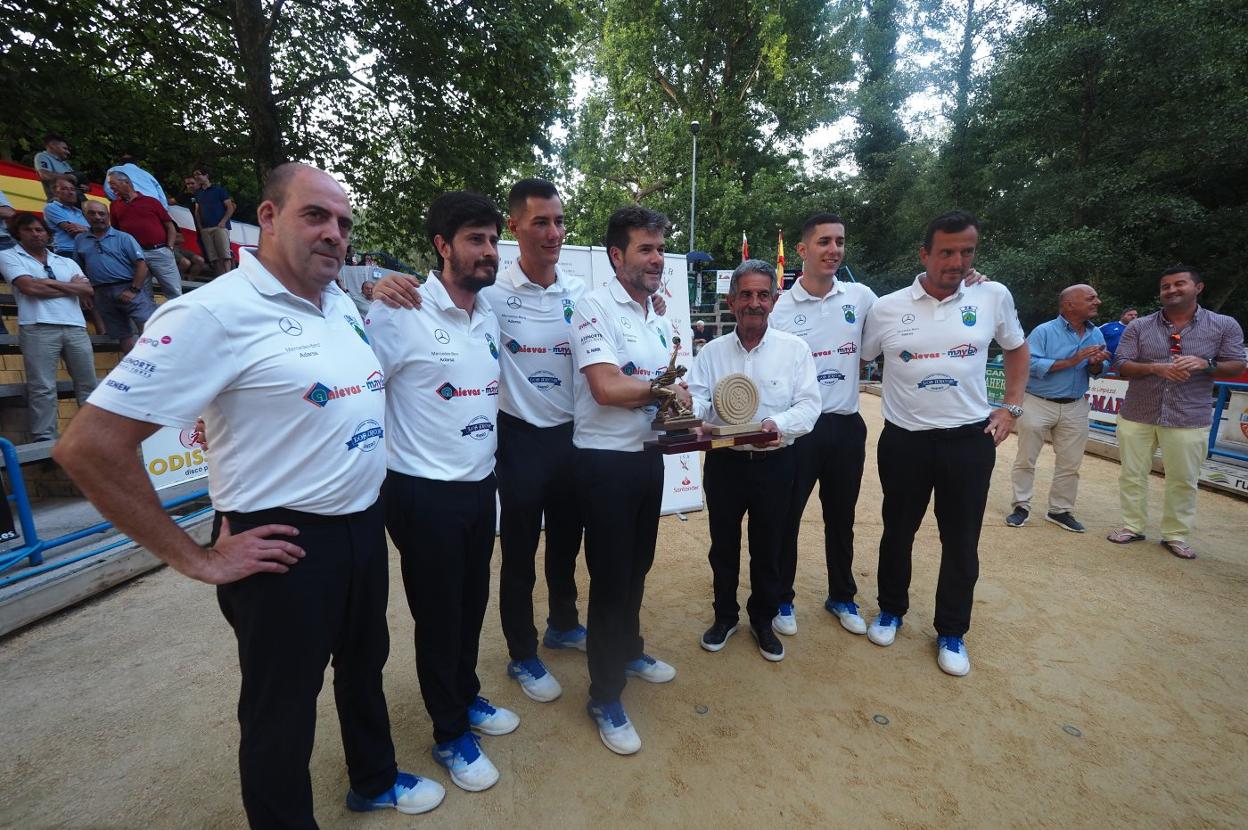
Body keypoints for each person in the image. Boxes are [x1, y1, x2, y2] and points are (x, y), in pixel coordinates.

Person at [53, 163, 445, 826]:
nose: (333, 234)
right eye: (314, 215)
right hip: (281, 543)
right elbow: (87, 448)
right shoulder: (213, 312)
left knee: (363, 667)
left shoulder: (340, 302)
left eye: (344, 224)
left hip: (360, 526)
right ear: (267, 218)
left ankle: (374, 779)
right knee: (280, 712)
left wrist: (376, 281)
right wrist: (196, 558)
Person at [365, 191, 519, 794]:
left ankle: (468, 694)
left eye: (491, 240)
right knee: (438, 615)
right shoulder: (400, 310)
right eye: (475, 239)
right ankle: (450, 733)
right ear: (442, 246)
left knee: (470, 605)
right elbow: (351, 374)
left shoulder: (488, 315)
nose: (487, 252)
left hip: (480, 488)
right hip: (420, 493)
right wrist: (371, 289)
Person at [861, 209, 1029, 677]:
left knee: (961, 541)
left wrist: (1011, 407)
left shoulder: (992, 295)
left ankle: (952, 630)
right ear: (924, 254)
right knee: (897, 532)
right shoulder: (887, 307)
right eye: (947, 252)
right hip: (905, 441)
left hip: (968, 442)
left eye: (967, 251)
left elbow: (1016, 348)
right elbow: (859, 352)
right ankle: (891, 608)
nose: (957, 261)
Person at [570, 205, 686, 755]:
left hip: (646, 458)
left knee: (637, 567)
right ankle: (604, 694)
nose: (657, 259)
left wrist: (680, 403)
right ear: (616, 256)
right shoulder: (593, 306)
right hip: (604, 463)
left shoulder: (656, 315)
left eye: (661, 249)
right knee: (612, 579)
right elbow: (606, 388)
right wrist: (666, 391)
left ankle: (630, 650)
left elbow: (662, 385)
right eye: (646, 248)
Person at [688, 259, 819, 661]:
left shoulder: (794, 351)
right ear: (731, 302)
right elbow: (698, 399)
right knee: (722, 546)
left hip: (776, 465)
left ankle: (763, 619)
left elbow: (810, 406)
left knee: (770, 547)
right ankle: (725, 616)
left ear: (774, 300)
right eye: (745, 294)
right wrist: (688, 412)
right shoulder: (710, 353)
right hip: (725, 464)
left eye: (763, 294)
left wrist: (773, 425)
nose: (754, 302)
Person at [769, 213, 879, 638]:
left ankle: (842, 596)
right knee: (787, 518)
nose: (834, 250)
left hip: (846, 426)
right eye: (824, 242)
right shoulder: (780, 308)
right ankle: (782, 596)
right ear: (802, 250)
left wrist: (968, 282)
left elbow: (914, 301)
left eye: (839, 242)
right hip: (800, 431)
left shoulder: (862, 296)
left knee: (841, 518)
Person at [1107, 267, 1246, 559]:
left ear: (1198, 287)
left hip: (1188, 415)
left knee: (1183, 479)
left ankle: (1175, 535)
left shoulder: (1223, 324)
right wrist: (1156, 368)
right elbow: (1122, 363)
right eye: (1165, 286)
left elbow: (1236, 364)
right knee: (1132, 474)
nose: (1171, 290)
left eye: (1179, 284)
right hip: (1138, 412)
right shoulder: (1140, 326)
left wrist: (1205, 363)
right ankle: (1132, 525)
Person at [1006, 284, 1110, 532]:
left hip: (1075, 405)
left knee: (1070, 463)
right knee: (1026, 459)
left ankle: (1060, 510)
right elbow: (1029, 365)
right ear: (1069, 304)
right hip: (1037, 402)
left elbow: (1099, 371)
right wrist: (1073, 360)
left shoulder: (1096, 334)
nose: (1098, 302)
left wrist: (1096, 364)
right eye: (1091, 298)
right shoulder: (1044, 331)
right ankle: (1021, 506)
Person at [0, 213, 97, 441]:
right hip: (38, 326)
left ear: (47, 233)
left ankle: (94, 433)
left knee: (88, 383)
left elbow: (88, 290)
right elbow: (30, 289)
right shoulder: (7, 256)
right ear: (18, 234)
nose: (36, 234)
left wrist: (48, 282)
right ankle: (45, 436)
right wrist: (68, 287)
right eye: (29, 230)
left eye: (39, 229)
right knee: (42, 386)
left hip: (75, 326)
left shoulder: (66, 261)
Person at [74, 200, 155, 352]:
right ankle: (132, 369)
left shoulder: (124, 237)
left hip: (128, 287)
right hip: (101, 292)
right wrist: (83, 293)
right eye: (92, 213)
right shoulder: (80, 240)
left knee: (148, 327)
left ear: (108, 216)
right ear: (84, 216)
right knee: (122, 335)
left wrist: (133, 289)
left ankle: (152, 364)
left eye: (101, 213)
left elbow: (142, 264)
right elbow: (78, 269)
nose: (98, 217)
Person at [107, 170, 183, 299]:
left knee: (173, 290)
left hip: (159, 251)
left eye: (113, 183)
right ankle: (149, 318)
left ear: (126, 182)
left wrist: (169, 248)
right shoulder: (114, 205)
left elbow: (170, 226)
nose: (111, 188)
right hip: (135, 256)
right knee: (143, 294)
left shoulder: (151, 201)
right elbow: (116, 231)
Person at [193, 168, 237, 276]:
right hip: (206, 229)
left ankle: (229, 278)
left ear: (206, 175)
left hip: (219, 227)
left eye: (199, 174)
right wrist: (200, 227)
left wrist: (223, 222)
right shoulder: (198, 193)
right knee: (214, 258)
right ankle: (220, 279)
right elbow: (197, 212)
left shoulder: (219, 190)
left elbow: (230, 207)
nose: (197, 177)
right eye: (195, 175)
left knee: (225, 255)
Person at [43, 176, 89, 256]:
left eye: (73, 189)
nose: (70, 192)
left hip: (85, 252)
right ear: (55, 192)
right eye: (64, 189)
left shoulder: (79, 211)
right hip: (67, 252)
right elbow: (73, 231)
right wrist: (92, 231)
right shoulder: (52, 207)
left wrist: (85, 229)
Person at [103, 156, 171, 207]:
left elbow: (108, 189)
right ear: (137, 164)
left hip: (132, 203)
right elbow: (161, 195)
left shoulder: (114, 170)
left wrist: (119, 202)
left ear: (121, 163)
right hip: (154, 205)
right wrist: (163, 209)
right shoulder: (147, 174)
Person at [33, 133, 84, 200]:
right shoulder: (42, 156)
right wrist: (69, 177)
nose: (68, 152)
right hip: (59, 202)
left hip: (74, 201)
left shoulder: (65, 163)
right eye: (65, 148)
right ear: (52, 145)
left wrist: (83, 187)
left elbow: (74, 181)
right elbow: (45, 175)